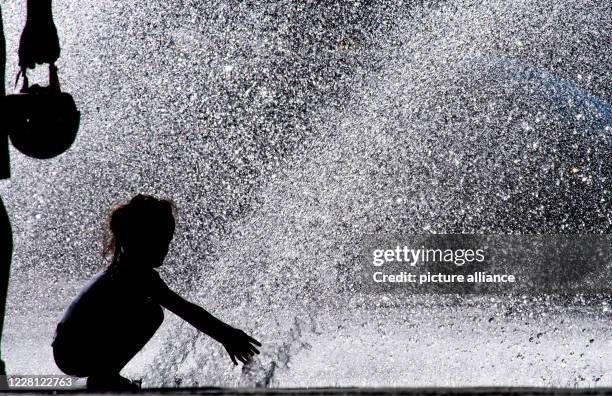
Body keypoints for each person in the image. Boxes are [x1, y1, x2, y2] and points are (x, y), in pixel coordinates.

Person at [52, 194, 261, 390]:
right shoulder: (135, 273)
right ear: (139, 239)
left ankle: (106, 375)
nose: (165, 248)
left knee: (147, 309)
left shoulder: (118, 268)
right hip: (74, 352)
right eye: (159, 240)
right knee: (151, 312)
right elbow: (185, 310)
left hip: (66, 349)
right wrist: (228, 335)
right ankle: (105, 377)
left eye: (168, 241)